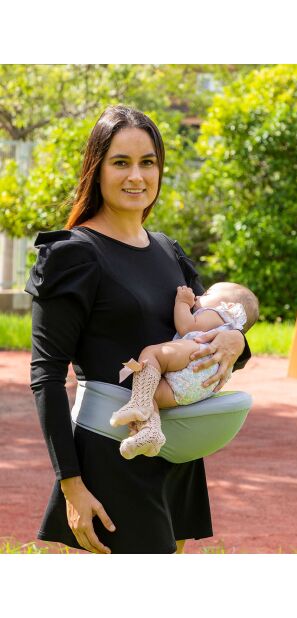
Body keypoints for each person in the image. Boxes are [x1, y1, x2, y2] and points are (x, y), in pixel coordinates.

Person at [25, 105, 250, 554]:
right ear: (97, 168)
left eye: (147, 163)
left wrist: (237, 339)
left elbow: (210, 334)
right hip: (112, 451)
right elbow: (45, 377)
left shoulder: (169, 251)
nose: (137, 177)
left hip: (177, 449)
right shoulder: (73, 255)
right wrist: (72, 486)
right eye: (121, 163)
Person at [110, 281, 259, 459]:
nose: (200, 295)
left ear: (229, 305)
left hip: (197, 357)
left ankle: (138, 404)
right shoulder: (227, 323)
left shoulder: (220, 313)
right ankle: (150, 432)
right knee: (152, 393)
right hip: (197, 388)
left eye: (208, 293)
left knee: (151, 354)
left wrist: (181, 302)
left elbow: (188, 327)